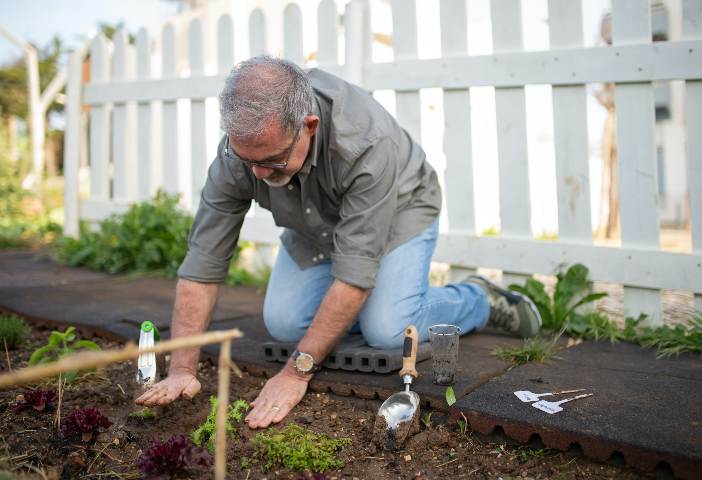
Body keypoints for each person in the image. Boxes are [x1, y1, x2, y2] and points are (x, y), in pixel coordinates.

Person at [135, 56, 541, 428]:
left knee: (387, 330)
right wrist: (182, 368)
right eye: (247, 162)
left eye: (272, 161)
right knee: (284, 324)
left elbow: (354, 275)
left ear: (308, 127)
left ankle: (477, 299)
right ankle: (356, 315)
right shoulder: (239, 155)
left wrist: (296, 372)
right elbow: (203, 263)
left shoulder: (365, 142)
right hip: (314, 218)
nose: (257, 175)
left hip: (399, 207)